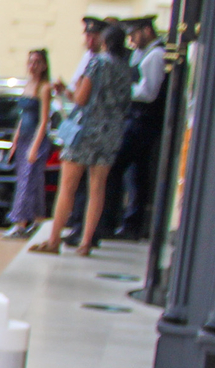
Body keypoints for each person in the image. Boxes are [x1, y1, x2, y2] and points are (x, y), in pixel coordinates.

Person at [36, 22, 134, 257]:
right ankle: (86, 242)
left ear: (105, 42)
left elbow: (80, 99)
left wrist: (66, 92)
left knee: (68, 187)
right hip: (111, 133)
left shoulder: (97, 62)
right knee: (97, 188)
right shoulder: (126, 67)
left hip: (86, 131)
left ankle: (54, 240)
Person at [116, 15, 168, 238]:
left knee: (118, 168)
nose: (132, 40)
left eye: (134, 34)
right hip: (136, 120)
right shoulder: (143, 54)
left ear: (147, 31)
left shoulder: (155, 55)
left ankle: (126, 222)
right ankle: (129, 223)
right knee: (134, 175)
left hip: (142, 121)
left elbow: (148, 93)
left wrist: (124, 90)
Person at [5, 48, 55, 240]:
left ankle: (18, 222)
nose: (33, 66)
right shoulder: (27, 85)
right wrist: (15, 141)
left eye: (37, 62)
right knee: (31, 181)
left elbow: (43, 120)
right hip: (24, 136)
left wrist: (35, 146)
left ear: (44, 66)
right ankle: (37, 219)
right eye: (30, 62)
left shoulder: (44, 88)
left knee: (27, 181)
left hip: (37, 138)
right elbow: (22, 116)